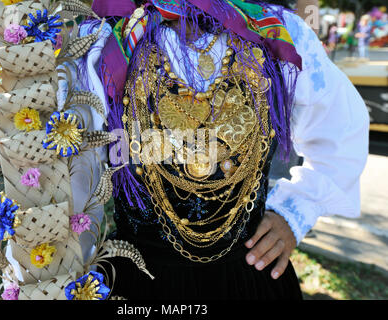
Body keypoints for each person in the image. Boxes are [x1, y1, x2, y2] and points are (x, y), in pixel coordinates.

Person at [75, 0, 369, 300]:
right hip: (137, 283)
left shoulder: (274, 29)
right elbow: (71, 174)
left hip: (250, 280)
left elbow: (340, 129)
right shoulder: (104, 41)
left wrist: (295, 214)